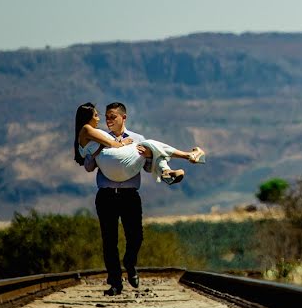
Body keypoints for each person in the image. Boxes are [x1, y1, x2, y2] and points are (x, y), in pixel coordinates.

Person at [74, 101, 205, 295]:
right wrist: (98, 152)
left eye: (112, 117)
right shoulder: (100, 137)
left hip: (130, 195)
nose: (107, 120)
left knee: (136, 237)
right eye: (106, 116)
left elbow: (145, 166)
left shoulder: (137, 138)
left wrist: (147, 156)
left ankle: (130, 263)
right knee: (109, 241)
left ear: (123, 117)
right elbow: (89, 167)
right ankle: (115, 283)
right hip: (107, 194)